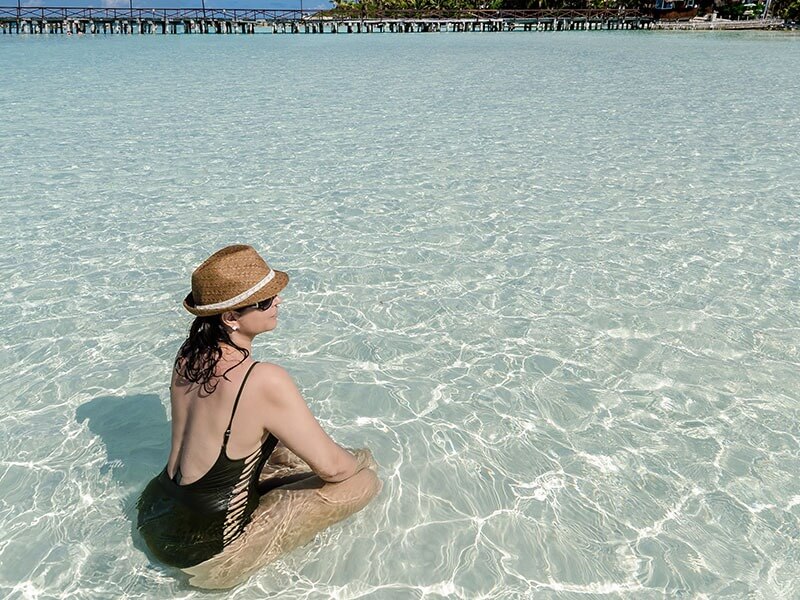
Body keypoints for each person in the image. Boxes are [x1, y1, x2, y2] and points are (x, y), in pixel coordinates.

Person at [137, 244, 381, 589]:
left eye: (275, 293)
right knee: (363, 477)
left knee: (281, 448)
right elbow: (335, 469)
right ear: (230, 317)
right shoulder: (262, 379)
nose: (278, 302)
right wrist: (358, 460)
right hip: (212, 556)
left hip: (155, 512)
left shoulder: (189, 354)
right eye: (265, 301)